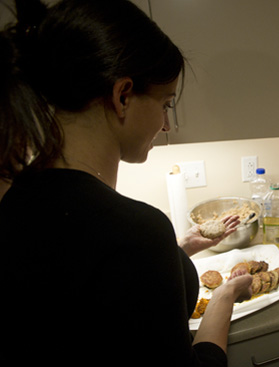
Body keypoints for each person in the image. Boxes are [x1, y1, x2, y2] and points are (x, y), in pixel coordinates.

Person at [0, 0, 252, 365]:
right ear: (122, 96)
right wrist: (224, 297)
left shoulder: (16, 200)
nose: (165, 124)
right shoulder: (135, 232)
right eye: (166, 103)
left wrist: (177, 249)